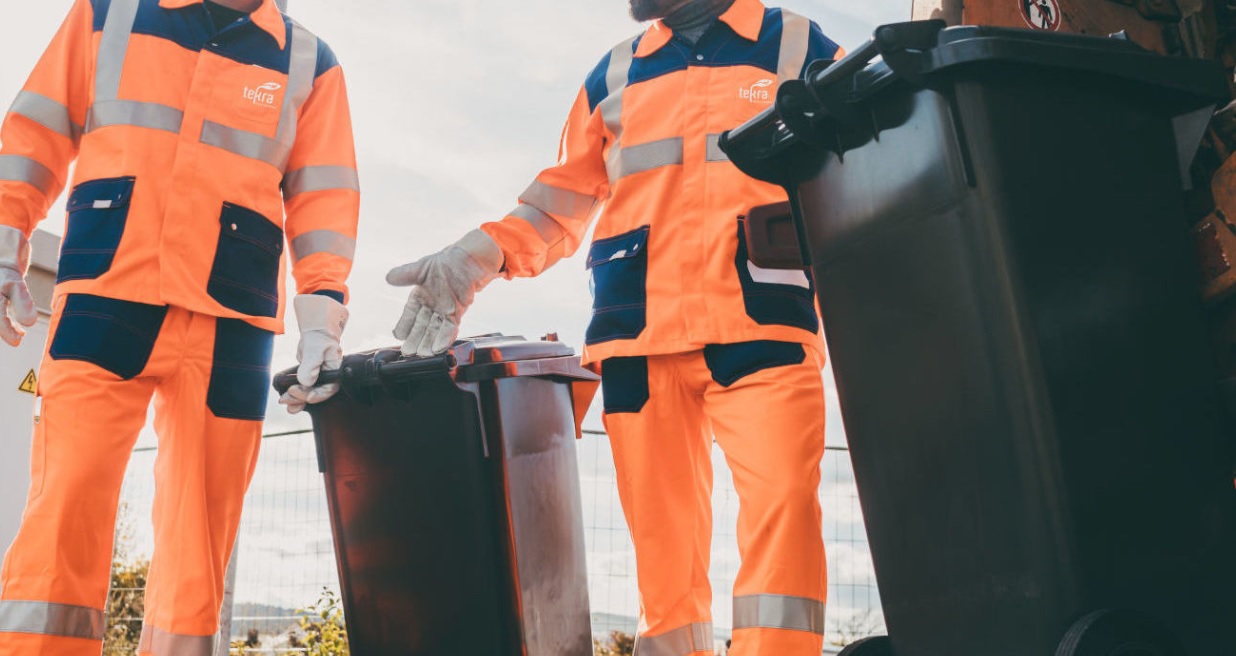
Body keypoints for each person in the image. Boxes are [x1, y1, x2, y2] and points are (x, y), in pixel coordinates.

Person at [386, 0, 841, 653]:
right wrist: (475, 257)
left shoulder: (798, 44)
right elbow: (559, 203)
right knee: (662, 551)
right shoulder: (614, 74)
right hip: (637, 335)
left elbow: (867, 160)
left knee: (785, 510)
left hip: (761, 319)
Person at [0, 0, 358, 653]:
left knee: (199, 550)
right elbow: (35, 132)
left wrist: (322, 316)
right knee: (63, 517)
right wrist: (5, 238)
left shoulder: (309, 63)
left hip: (232, 320)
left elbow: (324, 198)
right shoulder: (107, 14)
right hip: (106, 287)